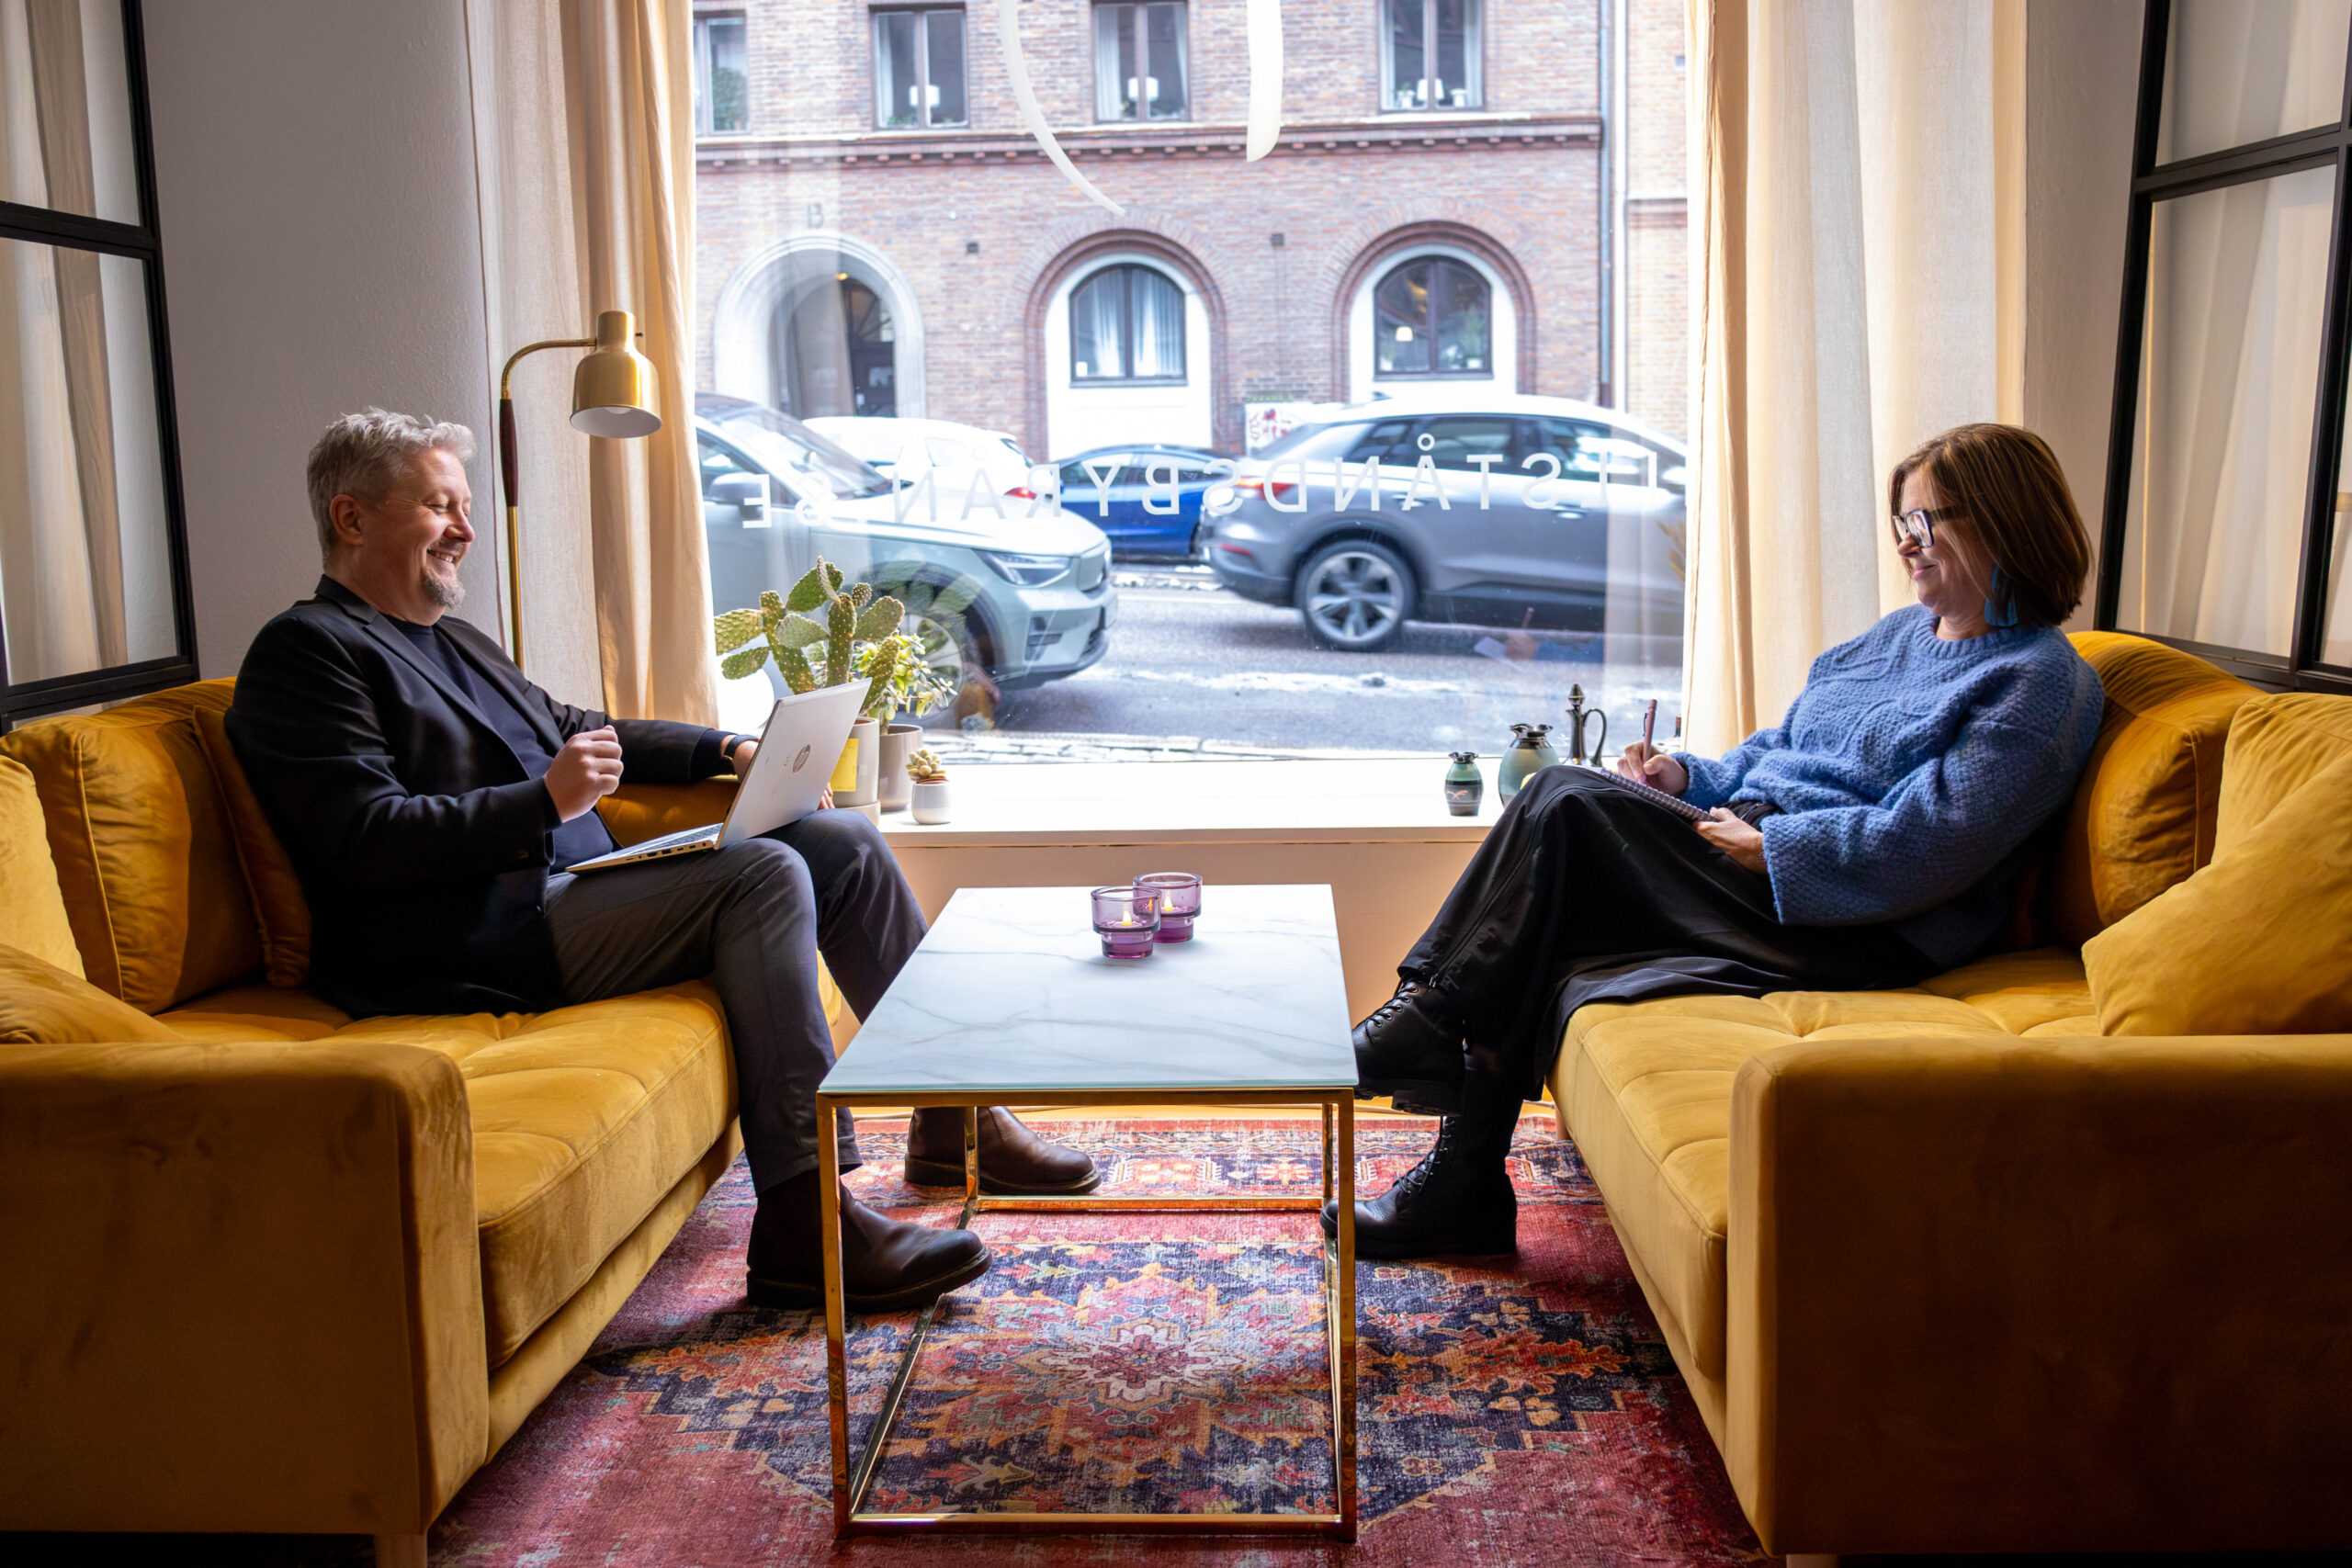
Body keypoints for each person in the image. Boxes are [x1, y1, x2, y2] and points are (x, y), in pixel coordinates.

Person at [228, 409, 1098, 1313]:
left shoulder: (453, 639)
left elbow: (578, 728)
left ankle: (955, 1116)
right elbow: (362, 838)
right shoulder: (307, 651)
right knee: (762, 875)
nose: (465, 530)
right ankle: (804, 1224)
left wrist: (725, 748)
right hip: (472, 939)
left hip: (570, 894)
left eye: (467, 506)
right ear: (351, 517)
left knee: (840, 842)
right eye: (439, 506)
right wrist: (543, 803)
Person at [1332, 423, 2108, 1260]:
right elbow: (1781, 746)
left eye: (1925, 522)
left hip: (1849, 915)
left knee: (1561, 797)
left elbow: (1932, 840)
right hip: (1753, 855)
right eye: (1902, 522)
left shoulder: (2039, 682)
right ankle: (1460, 1169)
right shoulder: (1897, 636)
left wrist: (1777, 847)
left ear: (2003, 522)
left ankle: (1429, 1037)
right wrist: (1688, 777)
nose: (1905, 544)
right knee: (1549, 891)